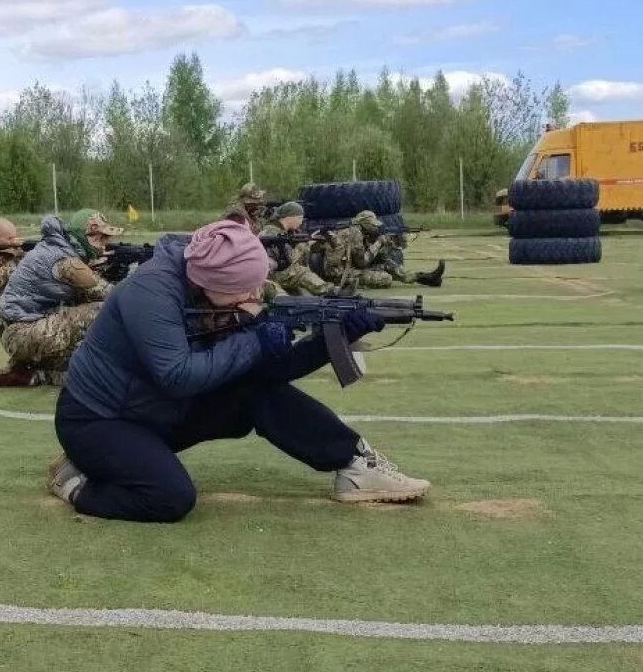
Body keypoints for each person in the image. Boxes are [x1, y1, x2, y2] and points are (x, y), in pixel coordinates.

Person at [47, 219, 431, 523]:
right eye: (244, 289)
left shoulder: (211, 288)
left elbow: (269, 370)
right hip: (99, 420)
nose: (253, 295)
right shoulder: (149, 293)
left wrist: (338, 337)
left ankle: (353, 464)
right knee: (171, 497)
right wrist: (253, 341)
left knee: (258, 391)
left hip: (156, 411)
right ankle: (77, 485)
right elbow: (177, 376)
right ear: (213, 282)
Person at [0, 209, 121, 388]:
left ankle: (28, 372)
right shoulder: (66, 262)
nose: (104, 244)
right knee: (102, 311)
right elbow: (112, 296)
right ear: (83, 236)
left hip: (21, 332)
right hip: (24, 334)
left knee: (73, 373)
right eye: (100, 238)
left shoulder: (55, 249)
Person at [321, 211, 444, 289]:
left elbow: (372, 257)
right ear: (364, 224)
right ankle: (426, 279)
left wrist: (387, 245)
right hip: (341, 275)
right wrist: (379, 242)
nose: (375, 228)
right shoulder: (355, 233)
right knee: (386, 279)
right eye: (373, 225)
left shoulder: (360, 232)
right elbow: (362, 262)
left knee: (387, 264)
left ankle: (426, 278)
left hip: (351, 268)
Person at [259, 201, 334, 296]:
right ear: (290, 217)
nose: (301, 222)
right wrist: (305, 245)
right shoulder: (271, 233)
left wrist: (315, 243)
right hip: (272, 275)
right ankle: (329, 291)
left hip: (281, 273)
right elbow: (287, 260)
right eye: (299, 218)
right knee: (301, 272)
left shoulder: (289, 232)